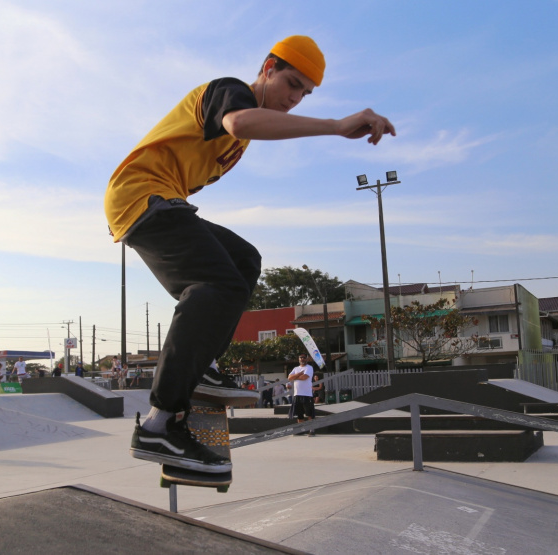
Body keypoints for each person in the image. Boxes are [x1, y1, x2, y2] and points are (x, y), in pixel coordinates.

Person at [107, 35, 394, 474]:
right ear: (268, 67)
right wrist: (336, 125)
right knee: (215, 284)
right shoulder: (230, 92)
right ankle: (159, 424)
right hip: (142, 196)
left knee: (243, 261)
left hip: (162, 203)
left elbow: (247, 130)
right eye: (291, 84)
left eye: (305, 94)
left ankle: (203, 367)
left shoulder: (241, 138)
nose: (294, 99)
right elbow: (242, 121)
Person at [288, 354, 315, 430]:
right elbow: (289, 378)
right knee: (299, 414)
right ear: (298, 359)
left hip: (307, 394)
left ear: (307, 359)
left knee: (309, 414)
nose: (302, 359)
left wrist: (295, 377)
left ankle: (311, 429)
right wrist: (299, 374)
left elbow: (304, 377)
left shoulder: (309, 368)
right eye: (301, 358)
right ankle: (301, 430)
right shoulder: (296, 368)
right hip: (297, 394)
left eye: (304, 358)